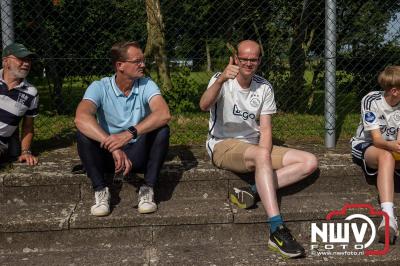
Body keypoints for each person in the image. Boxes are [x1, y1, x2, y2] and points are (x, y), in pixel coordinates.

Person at [199, 40, 318, 258]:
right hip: (223, 145)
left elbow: (266, 128)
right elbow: (204, 105)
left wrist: (263, 155)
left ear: (259, 61)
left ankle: (252, 191)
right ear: (236, 58)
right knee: (262, 153)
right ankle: (276, 228)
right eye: (243, 58)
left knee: (309, 161)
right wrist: (222, 78)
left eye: (253, 59)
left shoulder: (264, 86)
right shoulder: (221, 79)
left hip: (254, 146)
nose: (248, 63)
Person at [75, 41, 171, 216]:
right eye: (137, 61)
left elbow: (163, 114)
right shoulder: (99, 87)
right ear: (120, 65)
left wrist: (129, 134)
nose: (143, 65)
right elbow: (81, 117)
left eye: (143, 60)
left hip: (136, 154)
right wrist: (112, 144)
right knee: (82, 134)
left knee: (162, 130)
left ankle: (147, 189)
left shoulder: (146, 84)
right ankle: (101, 191)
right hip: (109, 155)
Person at [351, 66, 400, 244]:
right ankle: (388, 218)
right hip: (367, 145)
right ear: (394, 91)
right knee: (386, 156)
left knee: (390, 154)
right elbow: (378, 140)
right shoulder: (371, 100)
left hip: (392, 147)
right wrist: (394, 147)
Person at [0, 43, 39, 166]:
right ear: (6, 61)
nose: (26, 63)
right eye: (21, 59)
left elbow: (28, 127)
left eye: (28, 60)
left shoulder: (31, 93)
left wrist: (26, 151)